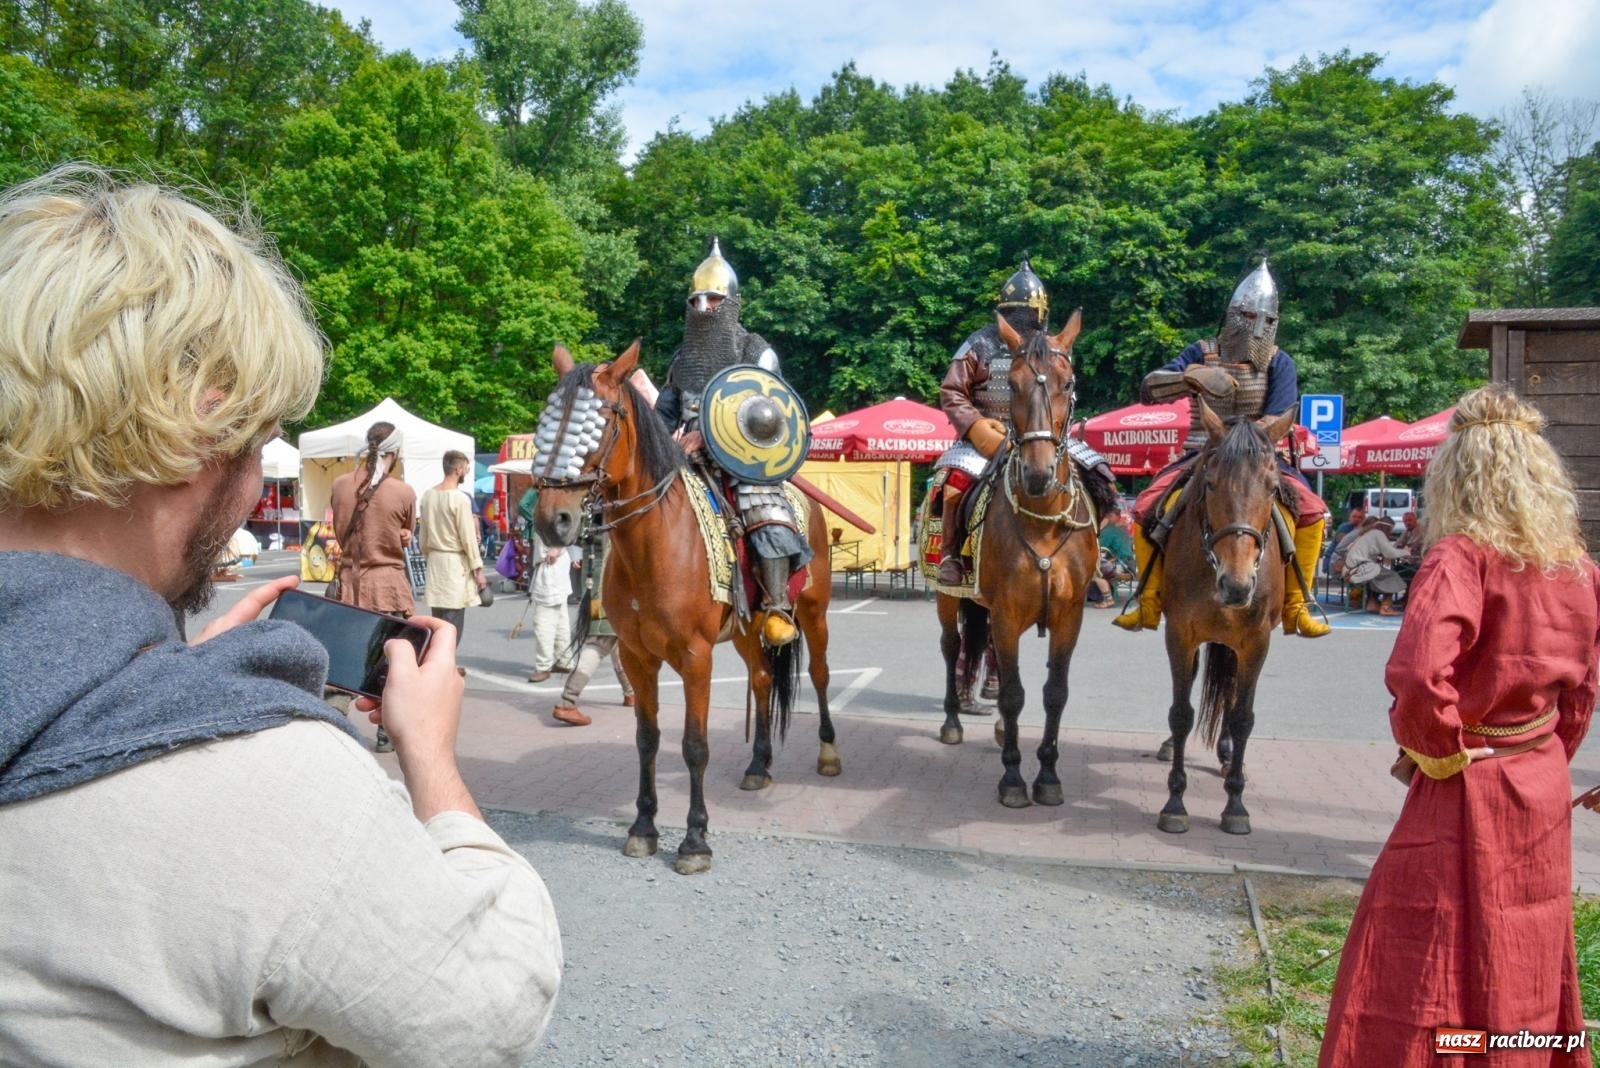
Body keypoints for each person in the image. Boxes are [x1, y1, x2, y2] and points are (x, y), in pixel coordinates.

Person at [0, 167, 560, 1064]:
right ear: (197, 435)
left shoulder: (343, 487)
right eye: (257, 443)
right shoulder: (274, 786)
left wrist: (151, 680)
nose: (259, 473)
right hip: (397, 586)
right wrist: (433, 760)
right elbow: (492, 1014)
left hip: (347, 578)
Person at [1320, 385, 1600, 1067]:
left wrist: (1439, 750)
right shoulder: (1577, 569)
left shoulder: (1461, 557)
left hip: (1466, 781)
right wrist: (1542, 756)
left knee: (1426, 951)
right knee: (1522, 952)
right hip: (1537, 788)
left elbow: (1419, 673)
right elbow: (1581, 693)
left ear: (1455, 473)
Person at [1113, 259, 1330, 638]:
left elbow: (1278, 416)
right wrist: (1191, 375)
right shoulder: (1202, 351)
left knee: (1313, 510)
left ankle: (1297, 604)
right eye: (1249, 315)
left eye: (1266, 319)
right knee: (1147, 505)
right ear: (1233, 315)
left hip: (1258, 458)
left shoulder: (1279, 363)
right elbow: (1150, 388)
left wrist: (1239, 441)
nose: (1257, 326)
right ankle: (1148, 599)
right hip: (1202, 451)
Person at [654, 237, 812, 646]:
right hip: (682, 458)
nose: (703, 307)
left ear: (731, 303)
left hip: (744, 459)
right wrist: (656, 443)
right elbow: (663, 413)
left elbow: (769, 413)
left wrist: (706, 436)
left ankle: (776, 606)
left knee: (768, 515)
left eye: (713, 299)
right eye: (697, 300)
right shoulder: (682, 357)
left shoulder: (754, 350)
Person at [933, 257, 1115, 587]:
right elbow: (952, 391)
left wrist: (1059, 425)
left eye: (1030, 313)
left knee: (1100, 476)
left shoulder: (1054, 346)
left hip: (1044, 432)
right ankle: (951, 554)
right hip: (986, 435)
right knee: (954, 482)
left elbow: (1066, 393)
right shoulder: (980, 343)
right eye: (1019, 313)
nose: (1025, 320)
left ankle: (1094, 548)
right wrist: (975, 426)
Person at [330, 421, 417, 617]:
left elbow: (339, 528)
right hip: (388, 589)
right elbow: (406, 533)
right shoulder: (404, 492)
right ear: (394, 451)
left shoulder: (339, 485)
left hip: (348, 587)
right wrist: (402, 534)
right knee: (389, 646)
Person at [551, 526, 635, 726]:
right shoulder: (607, 506)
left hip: (595, 583)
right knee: (601, 639)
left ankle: (631, 692)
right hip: (608, 587)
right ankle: (567, 702)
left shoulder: (591, 506)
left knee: (614, 637)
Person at [420, 450, 488, 643]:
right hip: (454, 563)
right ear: (458, 469)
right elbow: (468, 538)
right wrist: (478, 569)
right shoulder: (459, 498)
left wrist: (431, 556)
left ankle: (440, 662)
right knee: (452, 622)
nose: (466, 471)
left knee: (437, 620)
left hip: (435, 561)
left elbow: (423, 537)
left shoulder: (428, 496)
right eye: (466, 468)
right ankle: (446, 664)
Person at [525, 526, 572, 683]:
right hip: (556, 564)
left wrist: (557, 548)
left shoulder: (549, 505)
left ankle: (543, 666)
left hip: (550, 565)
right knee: (560, 619)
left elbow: (568, 529)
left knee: (543, 621)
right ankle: (564, 660)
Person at [1343, 514, 1410, 615]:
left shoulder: (1367, 533)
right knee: (1392, 576)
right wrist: (1406, 552)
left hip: (1350, 568)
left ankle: (1372, 603)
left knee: (1379, 574)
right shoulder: (1378, 534)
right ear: (1388, 528)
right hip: (1359, 569)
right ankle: (1385, 607)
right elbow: (1390, 553)